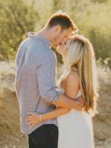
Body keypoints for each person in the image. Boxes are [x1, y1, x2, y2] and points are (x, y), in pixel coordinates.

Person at [15, 12, 85, 148]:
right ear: (57, 29)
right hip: (45, 126)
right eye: (65, 36)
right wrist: (75, 104)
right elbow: (47, 93)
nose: (63, 40)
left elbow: (19, 83)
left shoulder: (25, 45)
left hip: (31, 122)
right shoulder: (46, 54)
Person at [26, 34, 98, 148]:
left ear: (73, 51)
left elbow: (66, 108)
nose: (61, 42)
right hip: (71, 122)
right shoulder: (70, 73)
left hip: (71, 124)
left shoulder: (72, 76)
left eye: (65, 43)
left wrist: (39, 118)